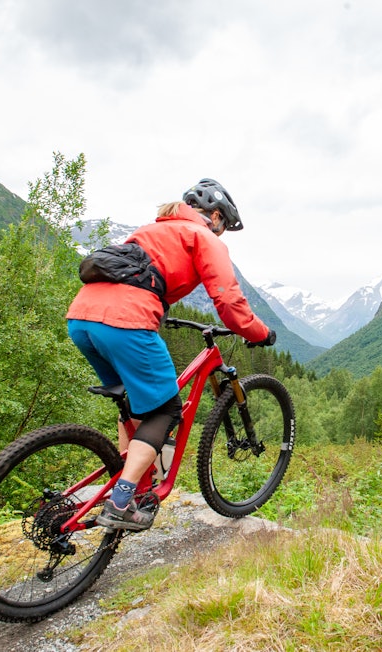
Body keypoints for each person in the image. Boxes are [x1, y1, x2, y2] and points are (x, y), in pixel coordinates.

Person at [66, 178, 275, 531]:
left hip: (82, 319)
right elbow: (228, 301)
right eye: (224, 224)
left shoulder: (151, 230)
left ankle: (131, 481)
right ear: (215, 216)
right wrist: (261, 333)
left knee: (134, 404)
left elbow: (137, 276)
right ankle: (121, 501)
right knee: (165, 410)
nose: (221, 232)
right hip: (125, 323)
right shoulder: (203, 236)